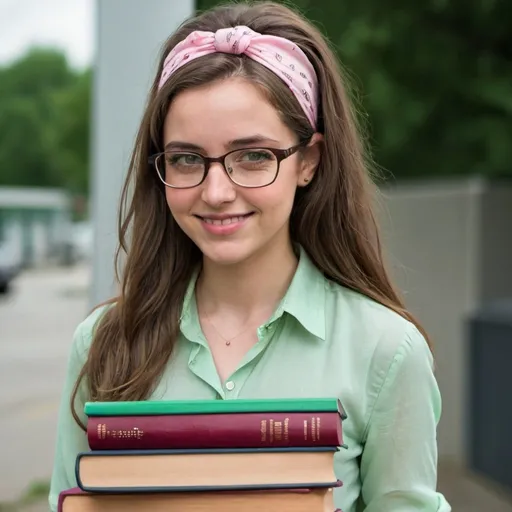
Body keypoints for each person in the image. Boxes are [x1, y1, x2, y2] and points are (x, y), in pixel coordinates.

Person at [49, 1, 451, 511]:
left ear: (309, 161)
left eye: (253, 156)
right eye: (187, 158)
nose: (216, 191)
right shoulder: (102, 345)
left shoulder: (387, 352)